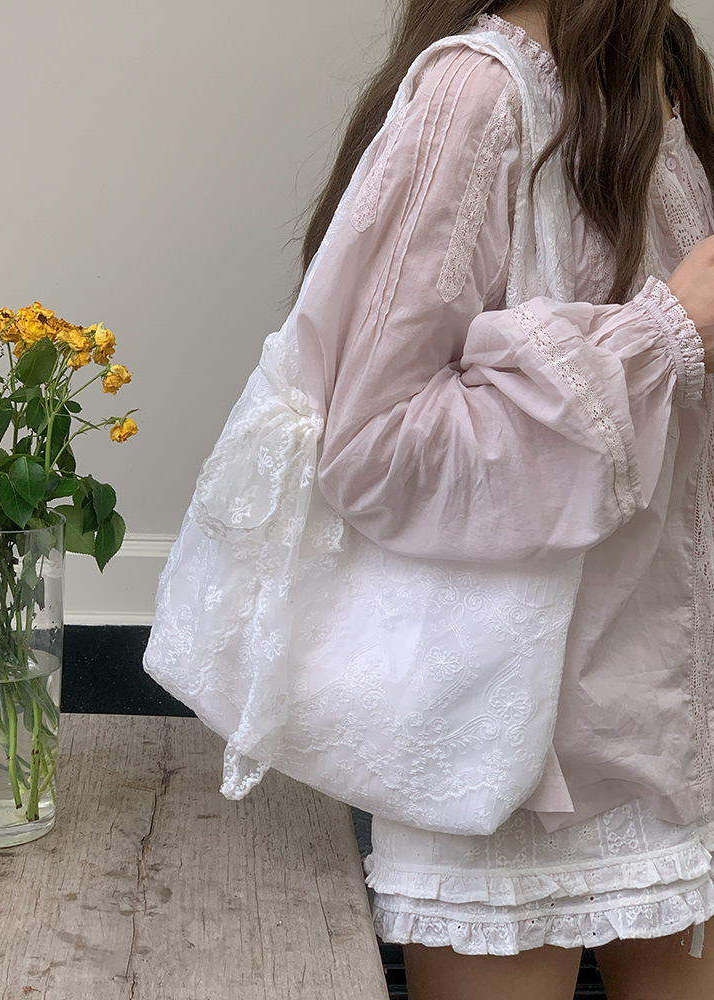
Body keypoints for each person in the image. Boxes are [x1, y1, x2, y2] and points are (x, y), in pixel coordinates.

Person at [282, 1, 714, 998]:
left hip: (675, 723)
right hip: (519, 757)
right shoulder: (478, 96)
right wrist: (663, 337)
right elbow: (373, 446)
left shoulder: (667, 73)